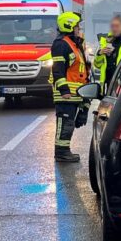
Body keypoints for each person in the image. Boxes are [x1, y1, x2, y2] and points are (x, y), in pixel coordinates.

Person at [49, 11, 87, 163]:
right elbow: (57, 69)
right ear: (69, 25)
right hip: (65, 94)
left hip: (74, 93)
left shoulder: (74, 44)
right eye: (77, 26)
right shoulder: (61, 44)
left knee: (69, 124)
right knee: (64, 123)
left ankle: (65, 150)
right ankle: (61, 152)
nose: (79, 29)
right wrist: (64, 90)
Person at [92, 14, 121, 95]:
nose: (114, 28)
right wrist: (100, 54)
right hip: (108, 86)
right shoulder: (105, 42)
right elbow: (97, 65)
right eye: (112, 26)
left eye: (117, 26)